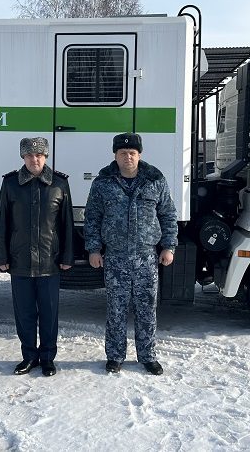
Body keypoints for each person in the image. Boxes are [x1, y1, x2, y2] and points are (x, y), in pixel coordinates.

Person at [84, 133, 177, 375]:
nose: (128, 157)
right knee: (116, 309)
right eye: (123, 153)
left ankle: (148, 356)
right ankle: (115, 356)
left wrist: (169, 247)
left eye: (132, 153)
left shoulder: (155, 180)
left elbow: (168, 214)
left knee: (146, 309)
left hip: (146, 257)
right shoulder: (103, 183)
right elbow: (92, 217)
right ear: (115, 155)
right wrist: (94, 249)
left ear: (140, 155)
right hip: (115, 257)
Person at [0, 137, 74, 377]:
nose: (34, 159)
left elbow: (66, 224)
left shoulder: (59, 183)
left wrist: (67, 256)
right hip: (20, 261)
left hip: (50, 261)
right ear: (23, 157)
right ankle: (29, 356)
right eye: (29, 155)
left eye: (39, 155)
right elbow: (2, 222)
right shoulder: (10, 184)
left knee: (49, 314)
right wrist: (2, 255)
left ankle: (48, 358)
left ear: (46, 157)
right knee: (25, 313)